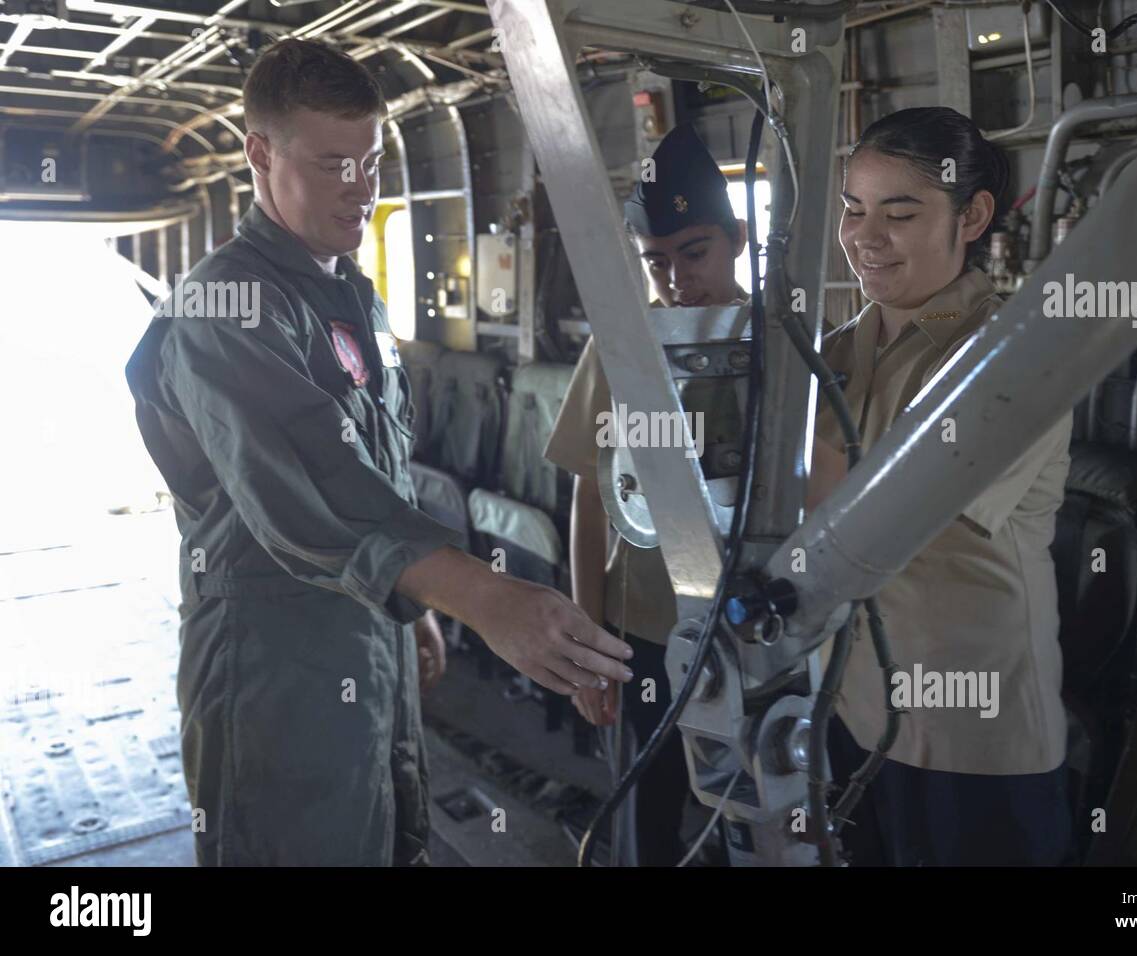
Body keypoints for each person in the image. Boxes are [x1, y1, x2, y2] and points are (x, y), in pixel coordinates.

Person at [124, 38, 633, 867]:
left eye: (369, 163)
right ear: (260, 153)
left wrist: (420, 610)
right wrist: (484, 598)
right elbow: (309, 491)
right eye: (333, 165)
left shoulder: (349, 293)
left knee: (383, 837)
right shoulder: (228, 306)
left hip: (372, 629)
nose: (361, 190)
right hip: (272, 665)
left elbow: (377, 480)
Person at [808, 107, 1074, 866]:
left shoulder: (1017, 354)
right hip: (856, 718)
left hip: (976, 743)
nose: (864, 235)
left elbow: (869, 520)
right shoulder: (834, 352)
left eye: (899, 211)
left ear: (974, 215)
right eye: (854, 210)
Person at [544, 123, 748, 866]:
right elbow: (590, 498)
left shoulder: (785, 343)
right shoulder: (621, 346)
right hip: (646, 630)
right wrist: (589, 645)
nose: (676, 279)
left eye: (694, 252)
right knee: (646, 813)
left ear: (738, 239)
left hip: (750, 626)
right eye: (656, 262)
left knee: (753, 810)